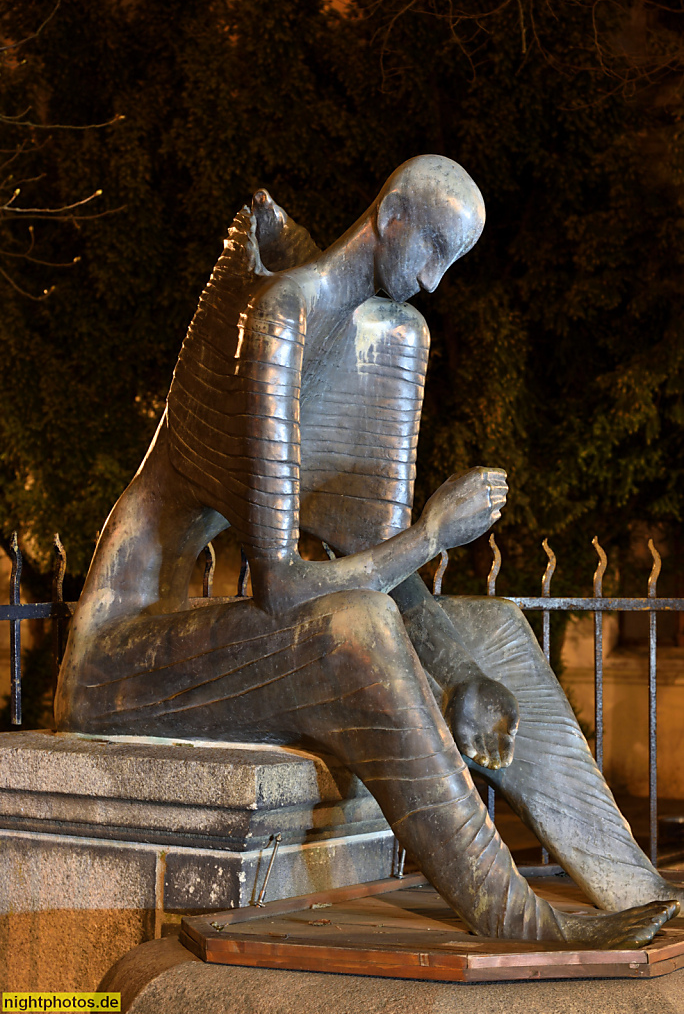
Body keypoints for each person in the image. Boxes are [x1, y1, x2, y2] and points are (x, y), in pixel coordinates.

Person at [55, 155, 681, 946]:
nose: (434, 282)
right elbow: (284, 590)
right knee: (357, 630)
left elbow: (374, 565)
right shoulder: (278, 315)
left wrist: (461, 677)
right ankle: (518, 917)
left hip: (203, 649)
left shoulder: (384, 339)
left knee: (492, 633)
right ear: (390, 219)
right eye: (431, 251)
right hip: (119, 665)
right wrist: (430, 534)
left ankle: (631, 881)